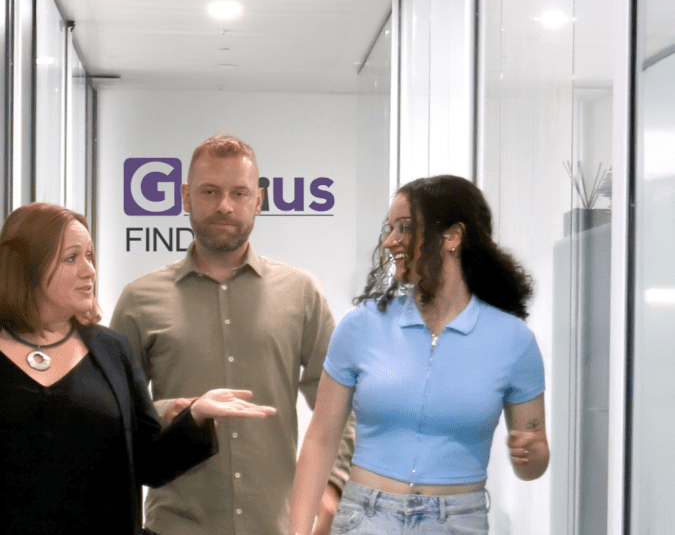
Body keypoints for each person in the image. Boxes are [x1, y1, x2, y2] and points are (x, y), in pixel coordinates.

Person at [111, 134, 354, 535]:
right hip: (174, 528)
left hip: (274, 527)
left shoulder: (301, 293)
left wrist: (332, 485)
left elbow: (342, 404)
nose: (224, 205)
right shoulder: (139, 300)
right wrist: (176, 410)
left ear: (258, 201)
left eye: (239, 193)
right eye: (210, 191)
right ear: (186, 197)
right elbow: (117, 415)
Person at [288, 175, 549, 535]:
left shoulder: (515, 342)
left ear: (452, 237)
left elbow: (533, 461)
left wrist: (532, 454)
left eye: (405, 228)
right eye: (390, 228)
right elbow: (320, 440)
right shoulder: (360, 327)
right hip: (365, 518)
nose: (390, 241)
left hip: (458, 522)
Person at [0, 202, 277, 535]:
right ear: (26, 267)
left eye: (90, 256)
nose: (89, 271)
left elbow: (150, 463)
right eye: (71, 258)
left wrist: (197, 416)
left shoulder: (112, 349)